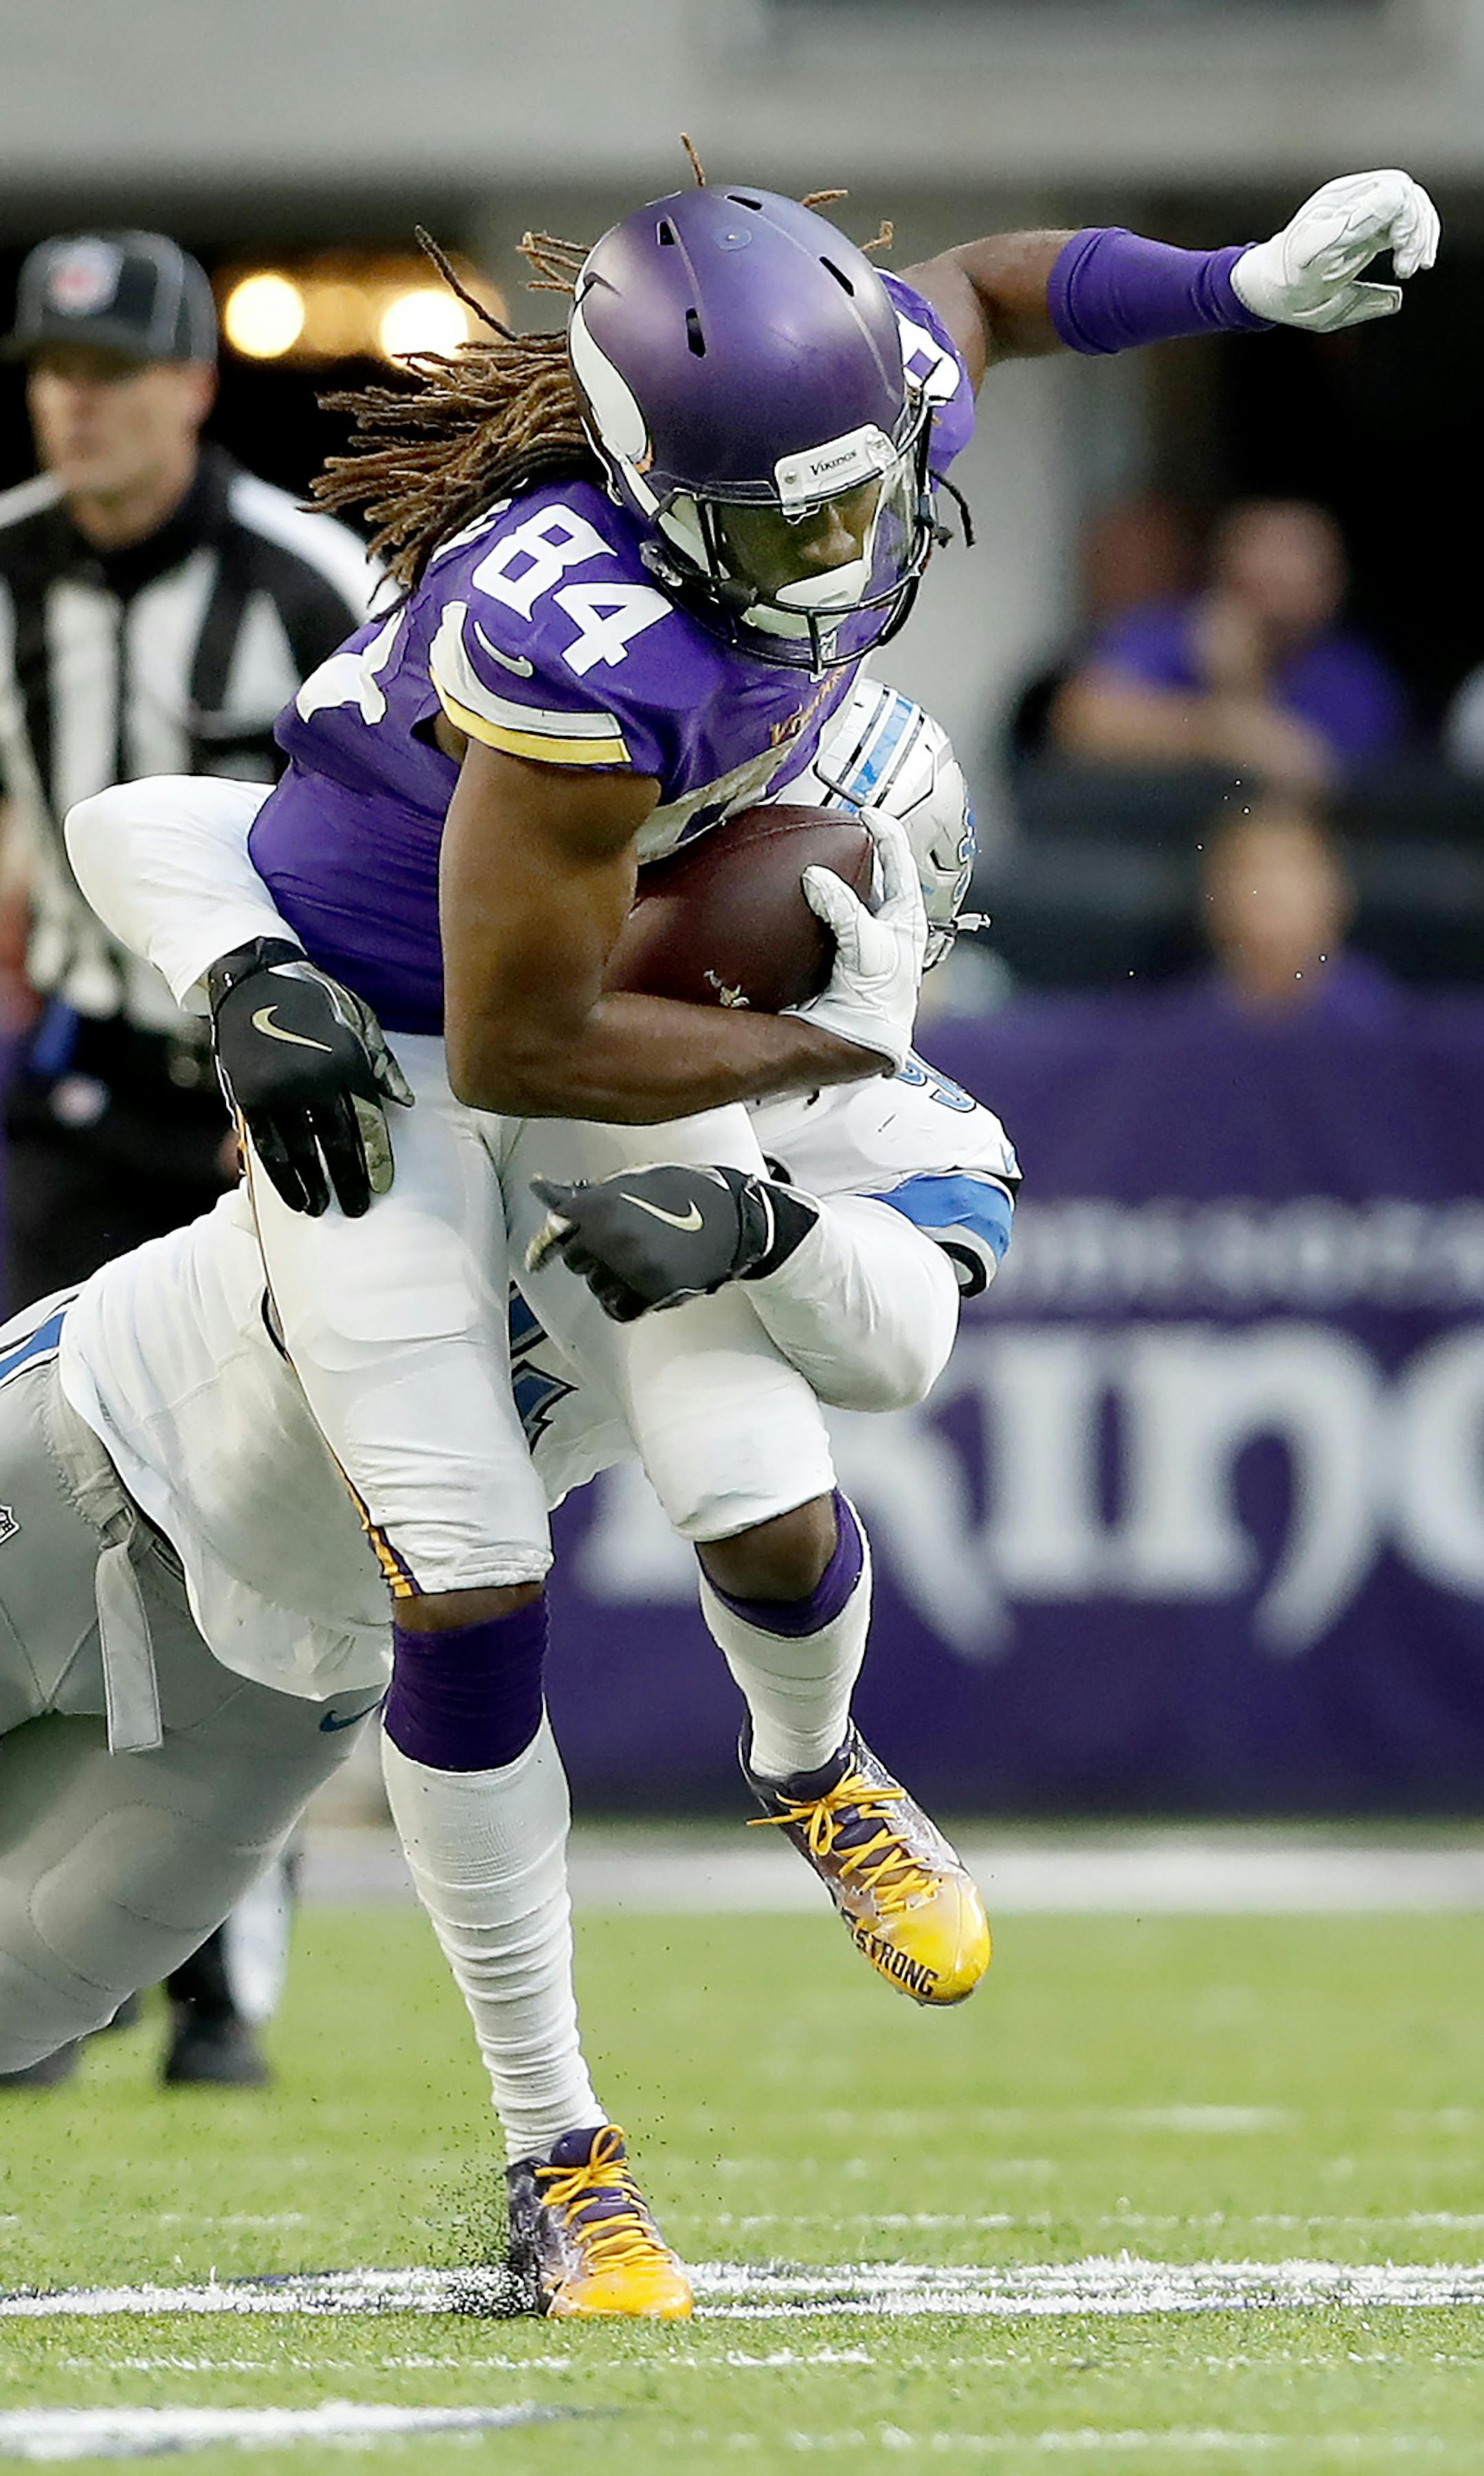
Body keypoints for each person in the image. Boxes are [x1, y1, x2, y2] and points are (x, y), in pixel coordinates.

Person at [68, 164, 1436, 2304]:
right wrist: (809, 1068)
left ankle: (819, 1765)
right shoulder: (575, 648)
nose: (843, 556)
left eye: (857, 503)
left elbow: (993, 281)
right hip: (416, 1044)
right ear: (654, 485)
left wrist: (1243, 286)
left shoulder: (842, 423)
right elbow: (519, 1044)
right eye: (786, 528)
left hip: (636, 1009)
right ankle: (560, 2155)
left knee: (753, 1426)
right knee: (473, 1572)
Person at [5, 689, 1015, 2324]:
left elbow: (896, 1330)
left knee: (15, 2004)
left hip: (285, 1670)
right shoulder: (493, 963)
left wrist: (761, 1230)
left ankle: (794, 1791)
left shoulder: (892, 1130)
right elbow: (150, 817)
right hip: (86, 1434)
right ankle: (576, 2147)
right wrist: (250, 971)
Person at [0, 228, 376, 2088]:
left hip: (260, 1108)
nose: (77, 400)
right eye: (52, 369)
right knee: (50, 1513)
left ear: (188, 383)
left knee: (243, 1521)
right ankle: (58, 1944)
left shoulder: (308, 581)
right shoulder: (3, 566)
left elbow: (391, 835)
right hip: (71, 1097)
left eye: (111, 369)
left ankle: (226, 1965)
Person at [1053, 498, 1408, 793]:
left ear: (1331, 588)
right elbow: (1080, 719)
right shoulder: (1169, 634)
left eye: (1295, 566)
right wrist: (1218, 729)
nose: (1275, 588)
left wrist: (1241, 686)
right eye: (1259, 575)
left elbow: (1311, 777)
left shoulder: (1354, 678)